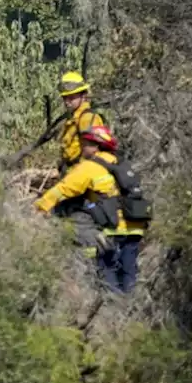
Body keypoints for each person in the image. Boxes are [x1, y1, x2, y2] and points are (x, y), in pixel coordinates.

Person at [34, 125, 147, 294]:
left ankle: (113, 314)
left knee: (108, 275)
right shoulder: (121, 163)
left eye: (85, 143)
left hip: (112, 229)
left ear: (96, 147)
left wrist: (40, 206)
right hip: (135, 227)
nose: (82, 146)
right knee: (129, 275)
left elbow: (64, 188)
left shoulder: (89, 167)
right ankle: (132, 312)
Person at [57, 71, 106, 171]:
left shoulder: (87, 118)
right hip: (72, 171)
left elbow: (93, 152)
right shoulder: (75, 118)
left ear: (83, 96)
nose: (67, 102)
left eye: (71, 97)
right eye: (64, 98)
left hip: (82, 173)